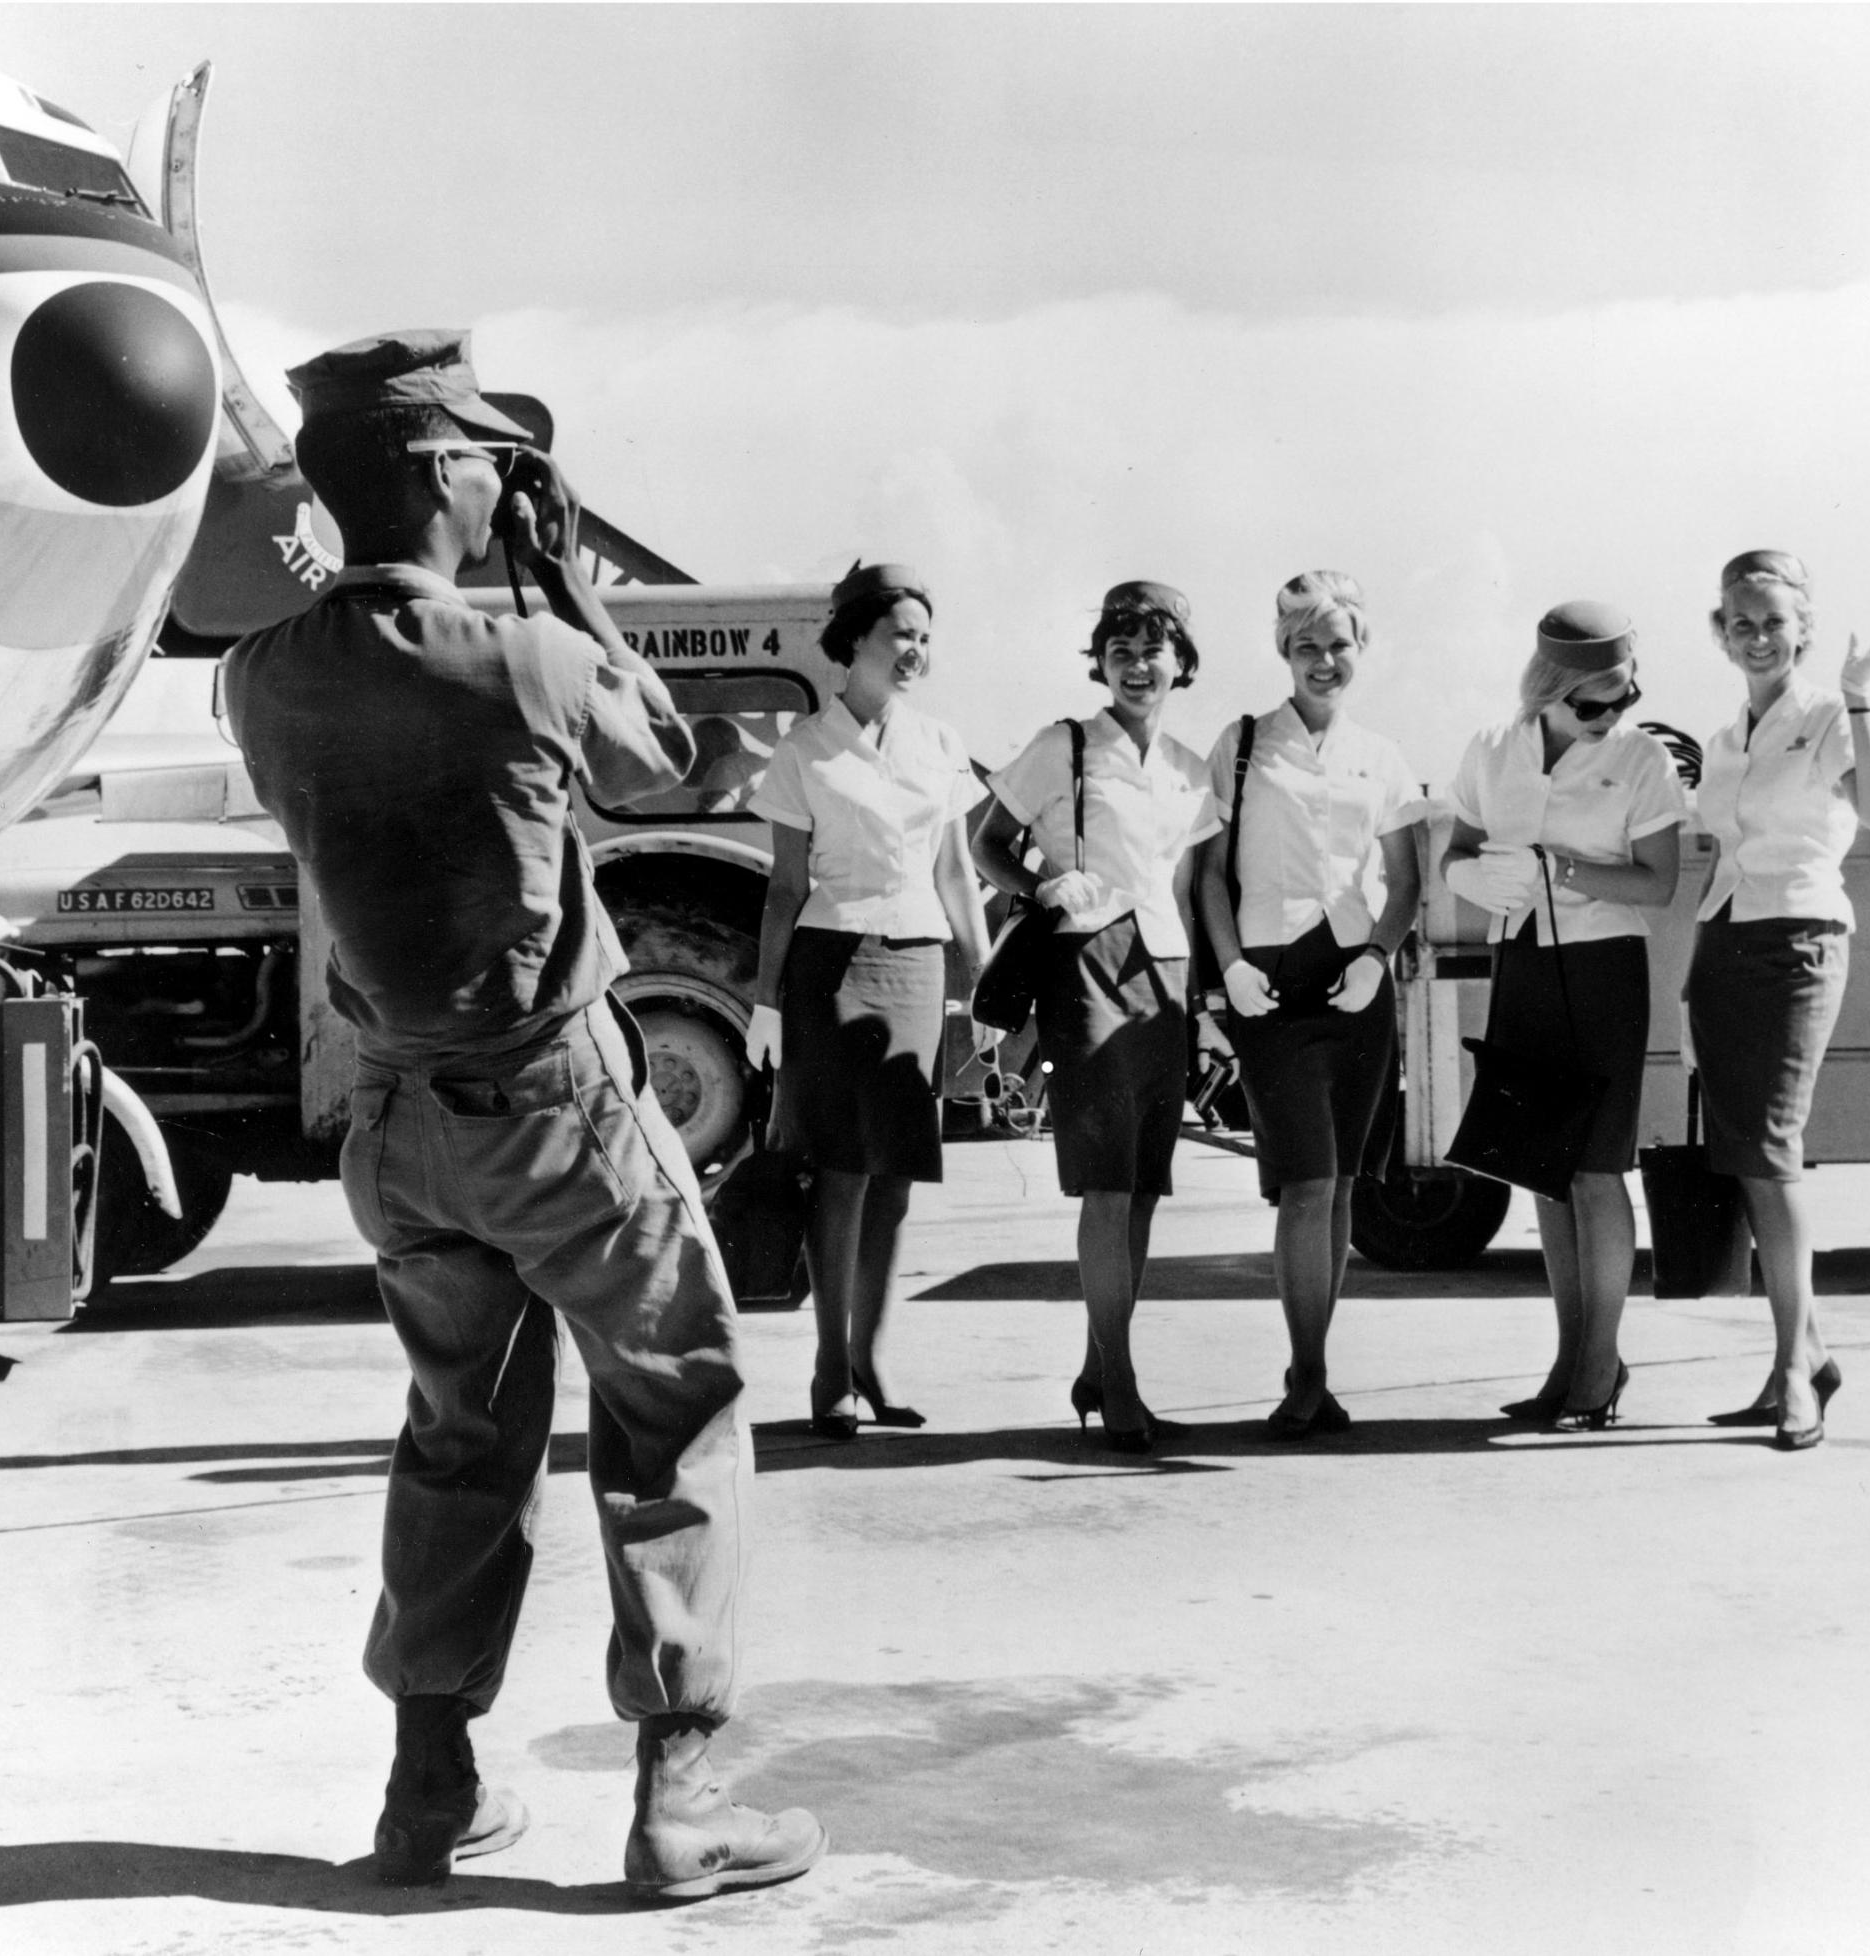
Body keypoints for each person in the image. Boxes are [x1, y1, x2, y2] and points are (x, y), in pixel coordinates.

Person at [222, 331, 822, 1898]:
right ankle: (681, 1804)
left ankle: (428, 1792)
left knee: (458, 1433)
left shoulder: (260, 680)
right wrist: (566, 585)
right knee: (673, 1404)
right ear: (440, 471)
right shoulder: (535, 656)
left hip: (396, 1124)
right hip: (558, 1114)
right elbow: (667, 754)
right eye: (491, 453)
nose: (510, 477)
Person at [743, 563, 998, 1439]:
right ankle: (828, 1370)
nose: (917, 651)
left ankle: (872, 1360)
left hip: (919, 961)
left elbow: (957, 872)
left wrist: (986, 977)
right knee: (842, 1171)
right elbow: (783, 887)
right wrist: (765, 1004)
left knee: (895, 1174)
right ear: (854, 641)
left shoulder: (939, 743)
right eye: (902, 635)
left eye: (927, 637)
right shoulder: (803, 748)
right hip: (831, 961)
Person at [972, 581, 1220, 1454]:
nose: (1137, 663)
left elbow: (1198, 887)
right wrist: (1040, 884)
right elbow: (985, 842)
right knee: (1107, 1189)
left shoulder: (1193, 768)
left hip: (1172, 978)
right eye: (1120, 648)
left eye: (1154, 648)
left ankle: (1097, 1365)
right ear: (1101, 662)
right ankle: (1119, 1387)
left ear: (1181, 663)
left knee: (1145, 1190)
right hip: (1089, 968)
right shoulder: (1063, 746)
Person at [1442, 601, 1684, 1428]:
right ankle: (1570, 1362)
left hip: (1602, 966)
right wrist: (1469, 878)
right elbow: (1457, 852)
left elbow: (1658, 882)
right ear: (1547, 688)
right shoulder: (1491, 750)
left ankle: (1598, 1367)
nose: (1612, 715)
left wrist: (1568, 870)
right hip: (1524, 961)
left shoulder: (1642, 758)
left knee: (1595, 1169)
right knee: (1544, 1171)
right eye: (1592, 703)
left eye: (1625, 697)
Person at [1687, 549, 1870, 1451]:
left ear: (1803, 629)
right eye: (1740, 622)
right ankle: (1806, 1353)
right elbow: (1719, 849)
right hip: (1725, 941)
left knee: (1773, 1153)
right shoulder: (1725, 736)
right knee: (1746, 1155)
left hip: (1798, 942)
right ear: (1720, 632)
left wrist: (1859, 693)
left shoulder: (1825, 714)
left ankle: (1791, 1372)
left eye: (1773, 620)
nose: (1757, 636)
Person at [1198, 573, 1425, 1437]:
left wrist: (1377, 957)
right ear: (1283, 653)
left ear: (1360, 648)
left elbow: (1403, 881)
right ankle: (1305, 1375)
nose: (1324, 662)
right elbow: (1210, 875)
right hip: (1271, 979)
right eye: (1307, 647)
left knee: (1337, 1189)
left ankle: (1315, 1372)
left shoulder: (1382, 753)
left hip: (1354, 980)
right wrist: (1229, 970)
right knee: (1303, 1182)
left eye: (1339, 645)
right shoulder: (1244, 743)